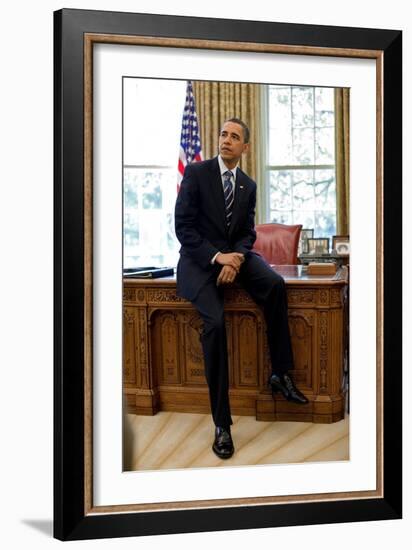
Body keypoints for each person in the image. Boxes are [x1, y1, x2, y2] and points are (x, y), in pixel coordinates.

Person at [174, 118, 308, 460]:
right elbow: (184, 228)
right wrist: (219, 258)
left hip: (236, 254)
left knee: (275, 284)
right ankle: (222, 424)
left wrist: (236, 259)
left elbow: (248, 233)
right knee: (216, 324)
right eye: (223, 134)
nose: (226, 140)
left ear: (245, 147)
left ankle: (279, 373)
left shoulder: (248, 184)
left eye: (234, 137)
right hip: (198, 259)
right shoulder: (196, 173)